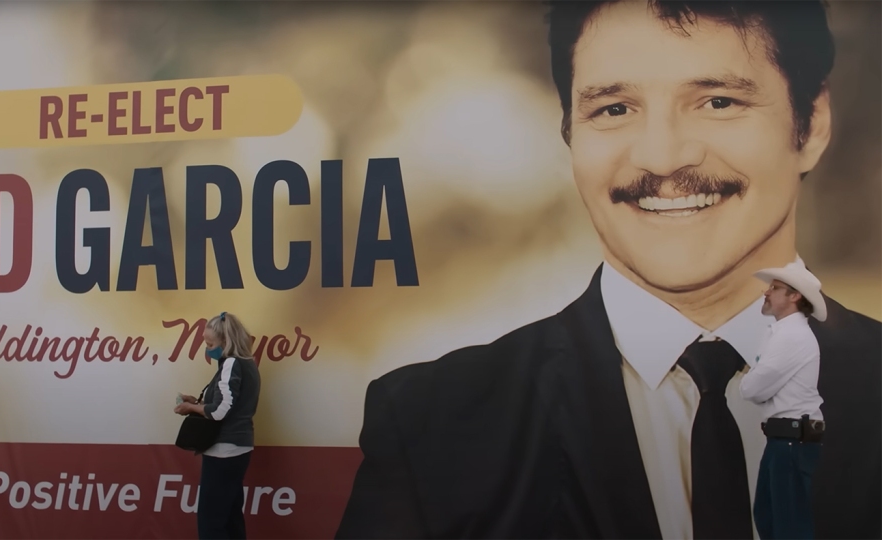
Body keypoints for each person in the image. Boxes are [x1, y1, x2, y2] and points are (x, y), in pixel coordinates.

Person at [336, 1, 880, 539]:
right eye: (615, 109)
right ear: (569, 133)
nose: (662, 157)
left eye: (718, 102)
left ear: (811, 125)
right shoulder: (430, 427)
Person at [741, 263, 828, 539]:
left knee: (787, 525)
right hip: (785, 440)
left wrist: (751, 379)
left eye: (775, 288)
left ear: (795, 296)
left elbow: (752, 389)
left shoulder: (792, 336)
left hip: (791, 443)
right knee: (772, 518)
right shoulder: (783, 334)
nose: (766, 293)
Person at [175, 312, 262, 540]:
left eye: (210, 344)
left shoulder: (231, 363)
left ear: (226, 341)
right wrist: (198, 403)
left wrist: (191, 408)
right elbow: (231, 404)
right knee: (232, 519)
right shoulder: (248, 363)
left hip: (224, 450)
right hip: (239, 448)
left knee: (211, 524)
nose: (207, 349)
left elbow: (220, 411)